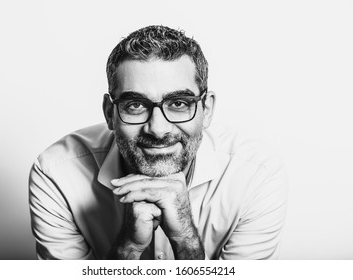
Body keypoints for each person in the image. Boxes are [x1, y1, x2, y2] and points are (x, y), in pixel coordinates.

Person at [29, 25, 288, 260]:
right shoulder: (57, 174)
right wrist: (128, 247)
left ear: (206, 109)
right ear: (110, 113)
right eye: (135, 105)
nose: (157, 129)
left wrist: (186, 239)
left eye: (178, 103)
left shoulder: (255, 175)